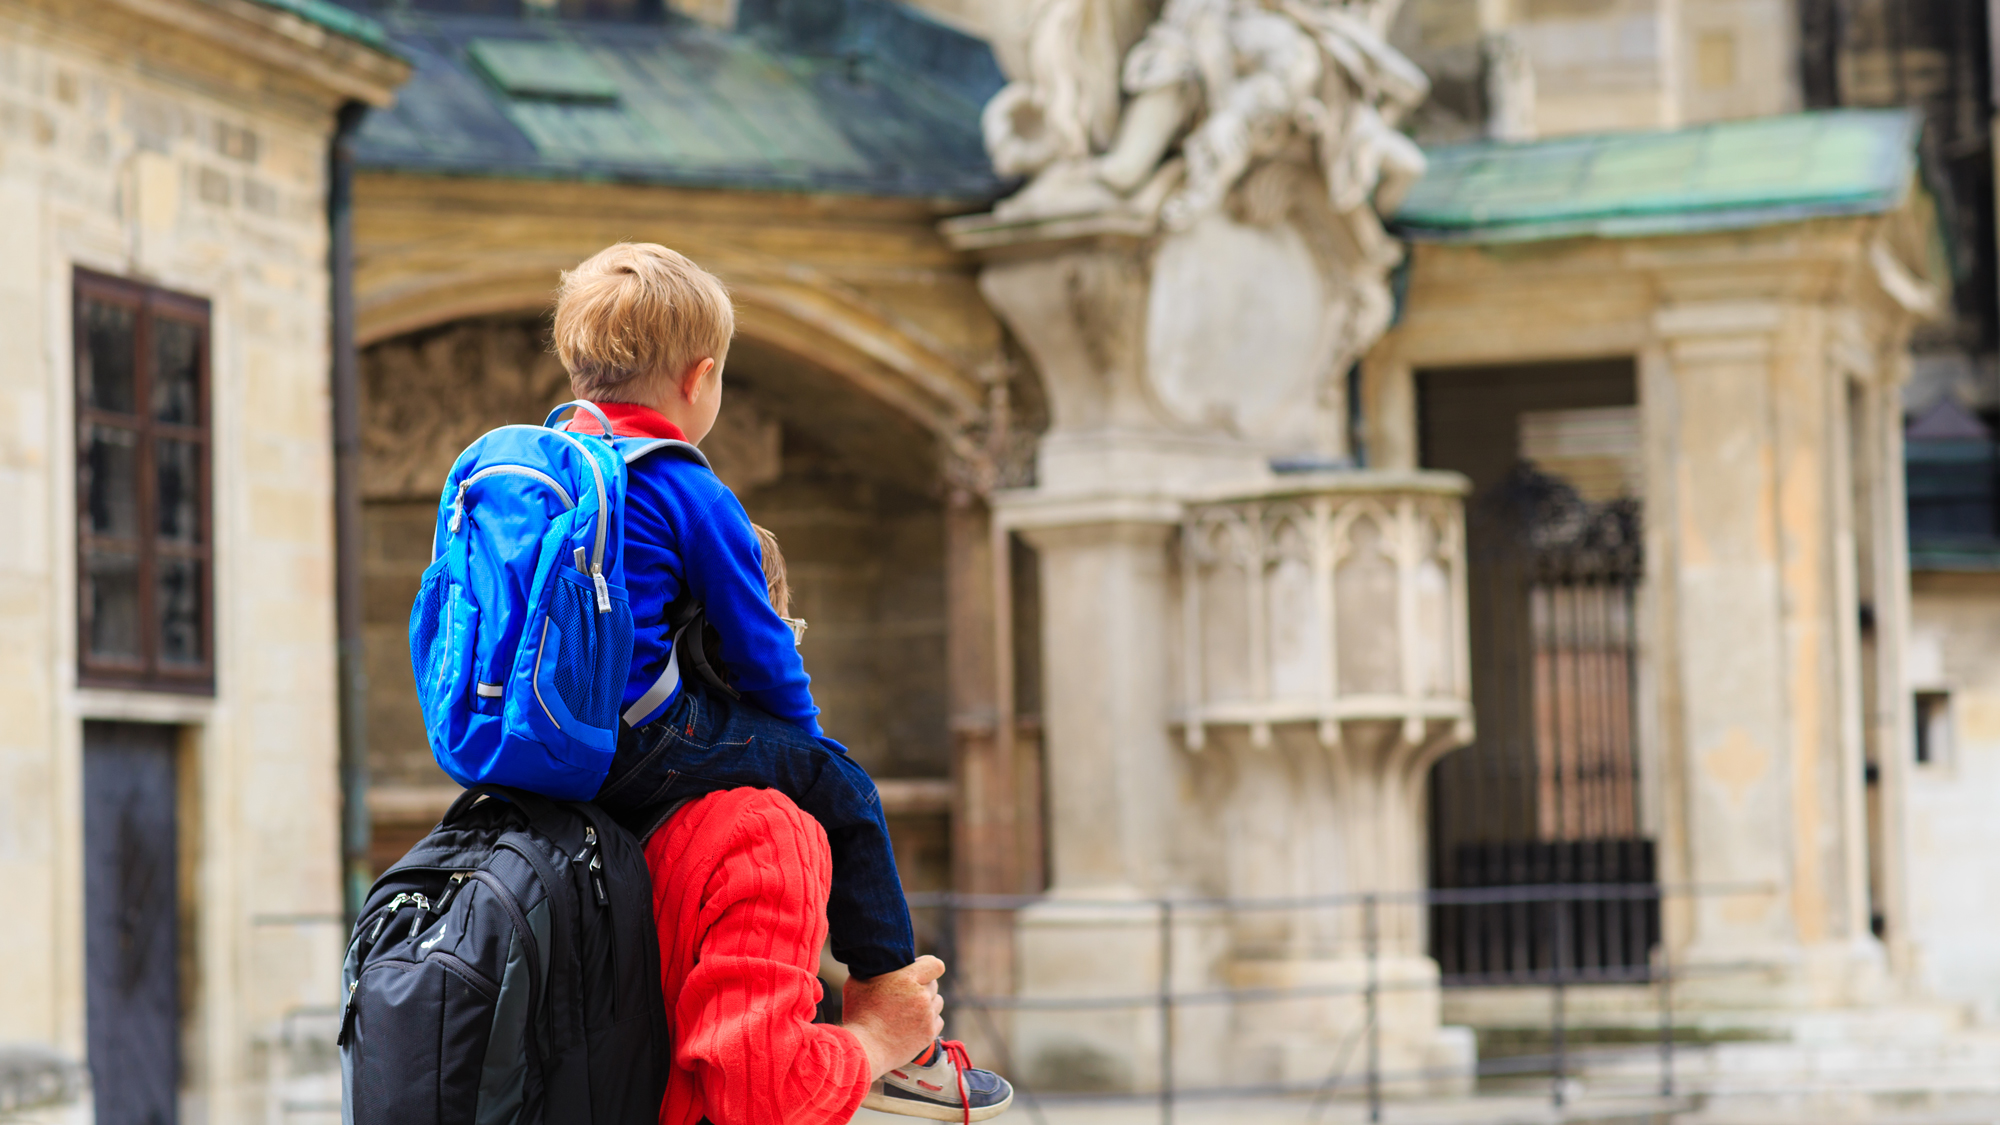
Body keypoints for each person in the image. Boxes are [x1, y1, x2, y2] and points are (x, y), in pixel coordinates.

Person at [550, 242, 1011, 1121]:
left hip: (556, 744)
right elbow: (759, 645)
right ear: (702, 376)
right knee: (844, 787)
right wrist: (806, 739)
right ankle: (897, 1014)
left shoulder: (552, 465)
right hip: (654, 739)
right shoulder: (681, 481)